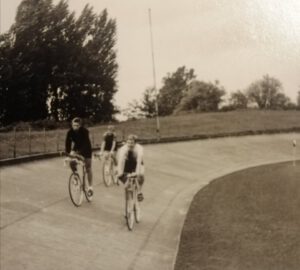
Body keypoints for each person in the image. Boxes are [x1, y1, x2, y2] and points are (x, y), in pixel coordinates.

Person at [65, 117, 93, 196]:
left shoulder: (85, 131)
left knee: (88, 167)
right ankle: (76, 175)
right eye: (74, 125)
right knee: (71, 162)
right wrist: (68, 154)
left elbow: (86, 143)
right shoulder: (70, 132)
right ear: (72, 125)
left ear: (80, 125)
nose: (75, 127)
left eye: (77, 125)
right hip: (77, 148)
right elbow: (68, 143)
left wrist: (79, 153)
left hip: (86, 149)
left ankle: (90, 186)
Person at [117, 134, 145, 201]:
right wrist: (119, 172)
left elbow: (138, 162)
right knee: (120, 175)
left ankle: (139, 192)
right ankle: (128, 185)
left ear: (135, 143)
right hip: (128, 162)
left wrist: (137, 173)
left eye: (132, 143)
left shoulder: (139, 149)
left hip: (137, 162)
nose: (129, 145)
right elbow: (120, 162)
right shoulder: (123, 149)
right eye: (128, 143)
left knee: (141, 175)